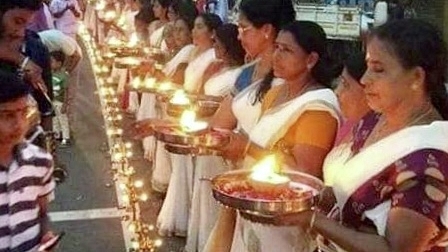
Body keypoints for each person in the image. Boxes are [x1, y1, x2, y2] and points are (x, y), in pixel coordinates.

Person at [276, 19, 448, 252]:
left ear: (417, 77)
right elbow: (349, 196)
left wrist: (312, 220)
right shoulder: (374, 120)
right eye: (367, 67)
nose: (365, 79)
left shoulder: (430, 155)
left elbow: (395, 249)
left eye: (378, 70)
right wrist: (295, 190)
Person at [207, 20, 341, 252]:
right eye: (277, 47)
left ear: (311, 60)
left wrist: (248, 148)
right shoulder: (276, 92)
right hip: (254, 200)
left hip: (283, 219)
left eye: (287, 50)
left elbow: (304, 176)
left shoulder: (318, 106)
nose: (277, 55)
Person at [185, 23, 246, 252]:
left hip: (224, 142)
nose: (216, 47)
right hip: (211, 132)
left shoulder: (241, 74)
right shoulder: (217, 67)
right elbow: (201, 95)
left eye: (219, 43)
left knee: (216, 203)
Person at [0, 70, 56, 252]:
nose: (19, 124)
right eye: (7, 115)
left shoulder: (40, 162)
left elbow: (42, 212)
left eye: (23, 113)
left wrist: (46, 236)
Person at [50, 51, 71, 146]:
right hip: (52, 100)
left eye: (52, 62)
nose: (50, 64)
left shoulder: (64, 76)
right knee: (54, 119)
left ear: (59, 63)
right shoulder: (50, 74)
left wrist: (65, 104)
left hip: (60, 101)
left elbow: (66, 91)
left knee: (62, 119)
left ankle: (66, 137)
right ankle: (57, 135)